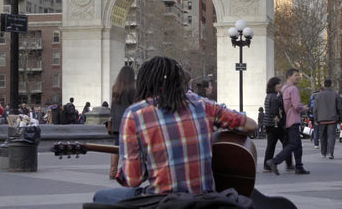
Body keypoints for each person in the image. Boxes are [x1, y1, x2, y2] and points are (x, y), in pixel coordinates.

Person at [93, 56, 257, 204]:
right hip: (205, 199)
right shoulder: (201, 104)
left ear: (145, 82)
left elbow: (133, 180)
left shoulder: (135, 114)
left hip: (164, 201)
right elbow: (251, 125)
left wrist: (121, 170)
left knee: (101, 197)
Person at [266, 68, 310, 175]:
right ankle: (274, 161)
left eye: (298, 75)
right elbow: (296, 105)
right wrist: (303, 108)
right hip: (293, 119)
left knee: (298, 144)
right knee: (293, 144)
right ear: (289, 76)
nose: (298, 77)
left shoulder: (284, 88)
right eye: (295, 75)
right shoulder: (293, 89)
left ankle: (299, 167)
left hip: (286, 121)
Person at [109, 66, 136, 180]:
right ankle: (127, 170)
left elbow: (113, 106)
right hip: (127, 120)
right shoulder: (131, 89)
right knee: (129, 146)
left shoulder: (115, 88)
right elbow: (135, 105)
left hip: (116, 121)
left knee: (116, 145)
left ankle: (112, 170)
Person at [263, 77, 293, 173]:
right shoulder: (276, 97)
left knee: (271, 145)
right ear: (274, 86)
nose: (281, 85)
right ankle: (289, 164)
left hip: (269, 124)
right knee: (287, 143)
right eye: (279, 83)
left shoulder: (268, 96)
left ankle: (266, 166)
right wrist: (280, 122)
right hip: (276, 125)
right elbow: (274, 112)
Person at [313, 79, 342, 159]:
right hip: (332, 118)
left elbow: (315, 108)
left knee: (322, 136)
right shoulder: (335, 95)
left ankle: (323, 152)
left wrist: (315, 119)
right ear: (331, 85)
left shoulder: (318, 95)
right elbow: (339, 108)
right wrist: (340, 119)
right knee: (331, 136)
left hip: (321, 118)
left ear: (324, 85)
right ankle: (330, 153)